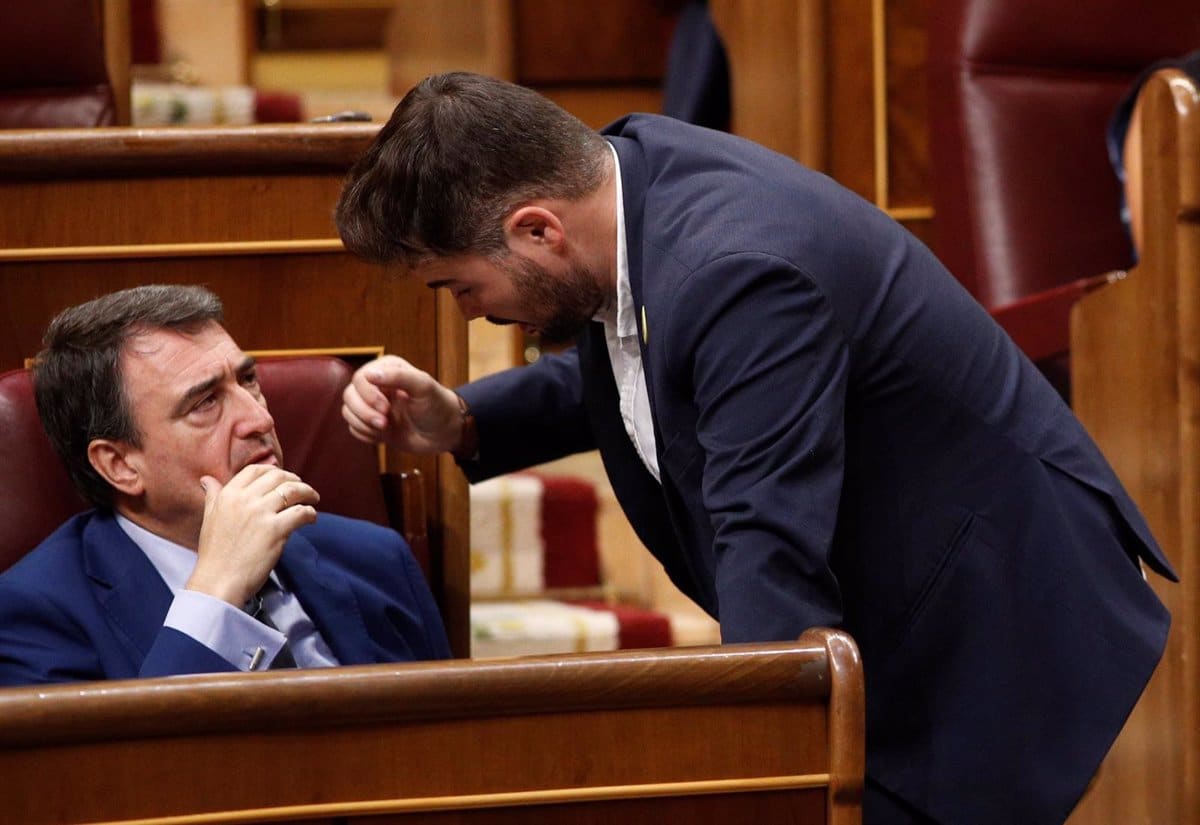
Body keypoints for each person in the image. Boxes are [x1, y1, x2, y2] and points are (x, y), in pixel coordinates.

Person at [334, 72, 1173, 824]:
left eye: (462, 287)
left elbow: (767, 540)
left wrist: (756, 760)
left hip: (987, 628)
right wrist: (467, 419)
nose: (469, 316)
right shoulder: (624, 179)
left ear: (538, 229)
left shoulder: (739, 271)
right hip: (904, 603)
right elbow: (648, 358)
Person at [0, 285, 450, 686]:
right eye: (205, 402)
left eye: (249, 380)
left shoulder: (376, 558)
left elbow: (451, 747)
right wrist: (217, 594)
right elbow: (130, 777)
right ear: (120, 465)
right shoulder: (35, 617)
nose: (261, 419)